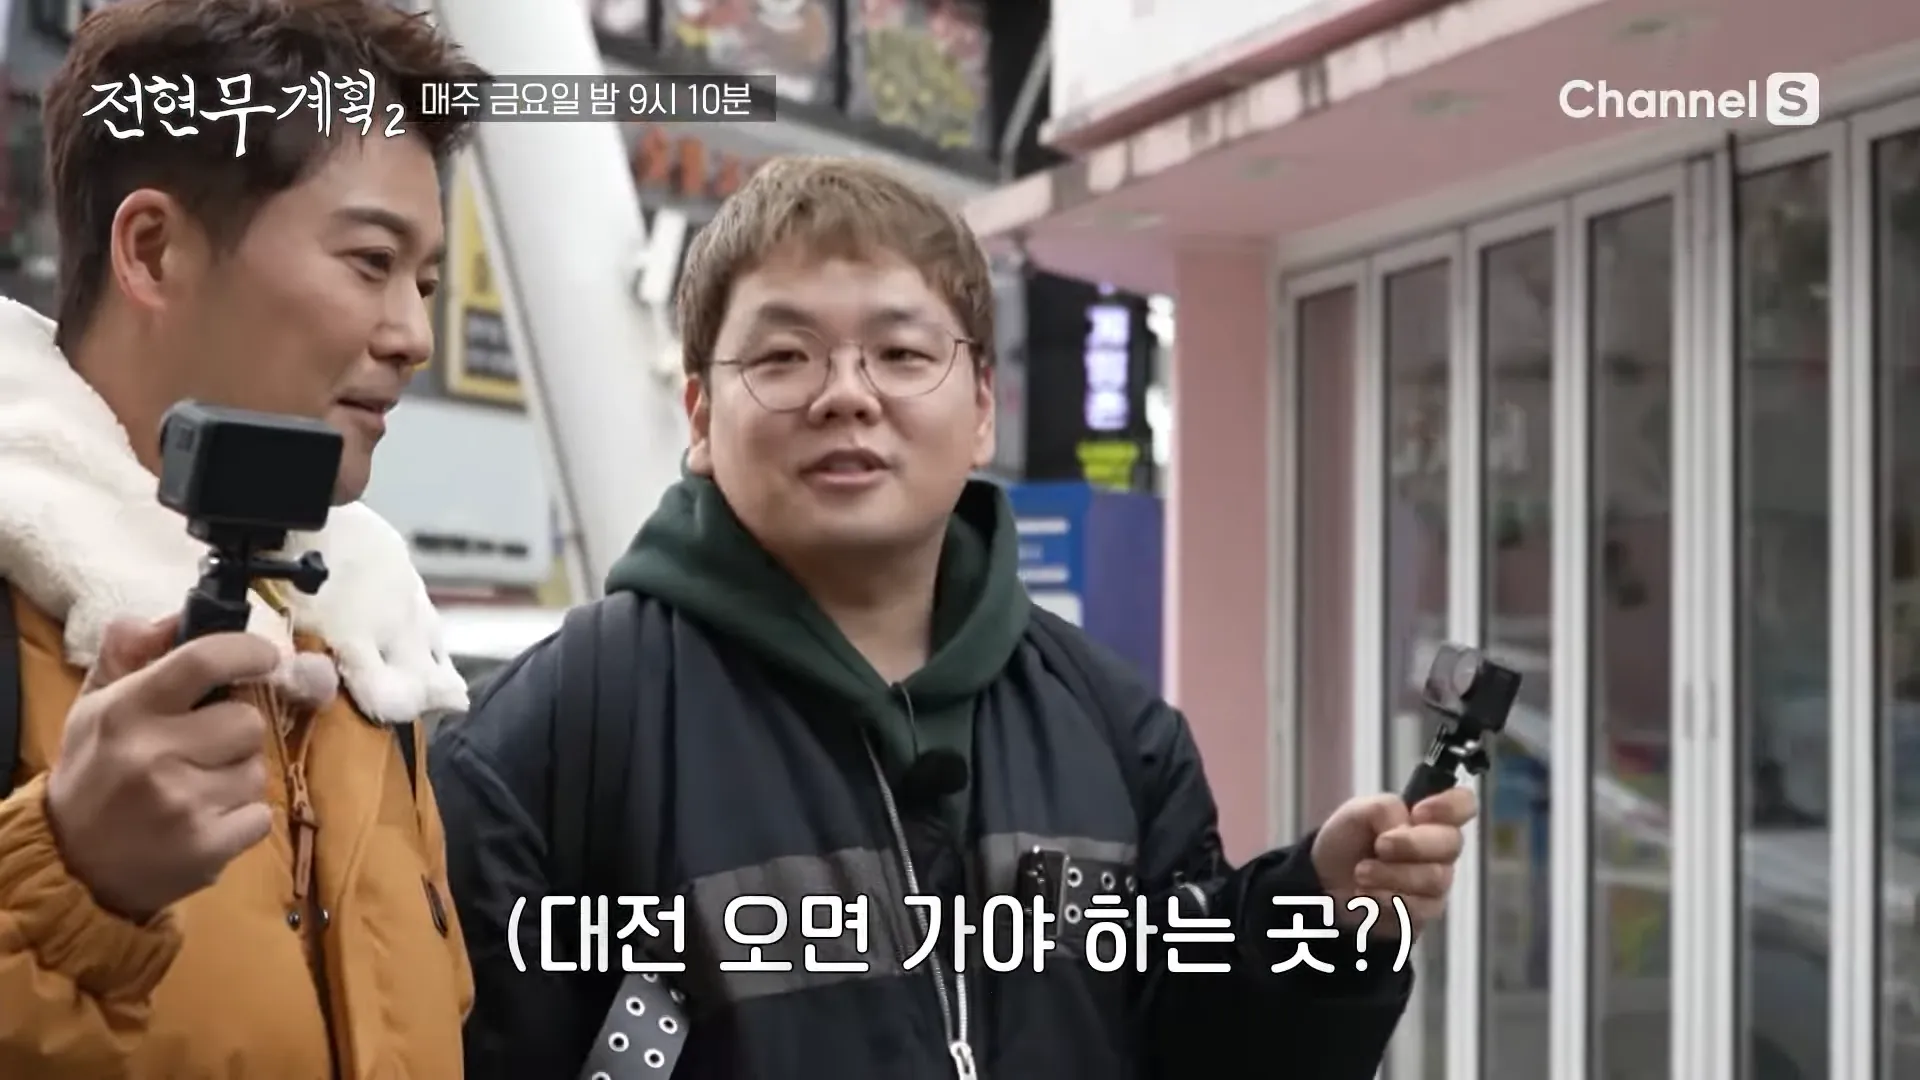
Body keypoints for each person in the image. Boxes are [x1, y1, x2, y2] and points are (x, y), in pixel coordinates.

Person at [431, 156, 1475, 1079]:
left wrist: (1320, 919)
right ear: (700, 416)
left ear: (981, 408)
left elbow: (1191, 1046)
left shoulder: (1115, 730)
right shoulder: (556, 737)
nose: (846, 395)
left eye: (899, 354)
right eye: (784, 356)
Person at [0, 0, 482, 1074]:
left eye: (427, 283)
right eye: (371, 261)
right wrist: (71, 887)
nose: (413, 336)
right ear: (153, 250)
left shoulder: (370, 652)